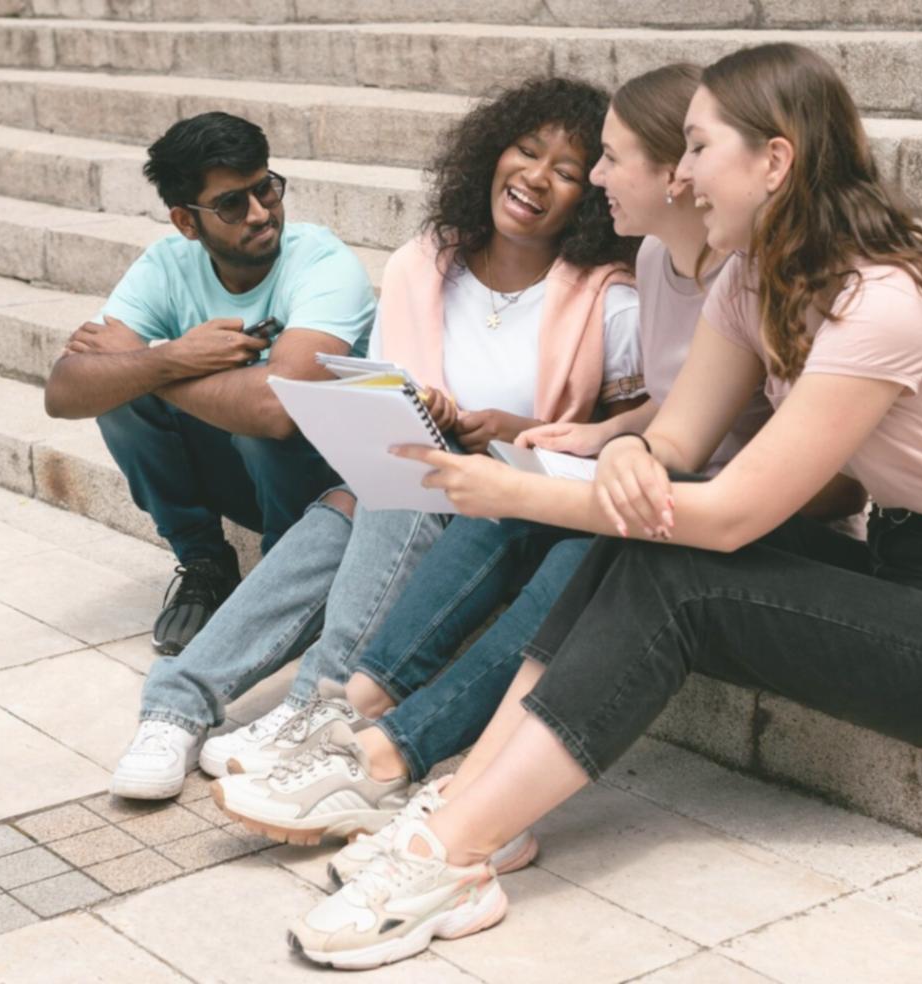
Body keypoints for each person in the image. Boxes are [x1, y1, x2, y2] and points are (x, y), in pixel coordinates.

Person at [287, 43, 922, 970]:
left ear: (774, 161)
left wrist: (511, 489)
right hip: (907, 569)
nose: (680, 174)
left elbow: (730, 517)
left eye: (699, 148)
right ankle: (478, 803)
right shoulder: (754, 278)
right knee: (634, 550)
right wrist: (629, 451)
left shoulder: (882, 301)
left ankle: (449, 855)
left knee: (674, 569)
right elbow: (673, 440)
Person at [209, 63, 860, 871]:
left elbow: (817, 470)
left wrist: (600, 463)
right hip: (679, 482)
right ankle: (350, 709)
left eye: (610, 158)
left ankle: (386, 750)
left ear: (676, 175)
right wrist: (608, 435)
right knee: (503, 487)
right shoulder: (664, 264)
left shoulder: (754, 278)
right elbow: (684, 411)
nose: (590, 177)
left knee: (567, 532)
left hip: (751, 506)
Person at [110, 77, 643, 802]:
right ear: (492, 152)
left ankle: (317, 701)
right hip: (408, 493)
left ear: (590, 194)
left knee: (401, 482)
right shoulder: (424, 265)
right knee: (367, 493)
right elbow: (387, 410)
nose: (536, 178)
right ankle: (179, 708)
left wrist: (519, 431)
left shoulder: (608, 302)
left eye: (569, 171)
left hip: (516, 514)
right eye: (526, 151)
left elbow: (635, 445)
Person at [43, 112, 376, 656]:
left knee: (241, 421)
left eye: (266, 188)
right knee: (119, 404)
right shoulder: (167, 266)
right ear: (186, 222)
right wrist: (172, 359)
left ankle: (291, 581)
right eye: (231, 204)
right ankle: (205, 566)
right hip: (244, 475)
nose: (261, 213)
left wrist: (155, 369)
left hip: (330, 486)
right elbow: (64, 391)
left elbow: (279, 408)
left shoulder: (323, 264)